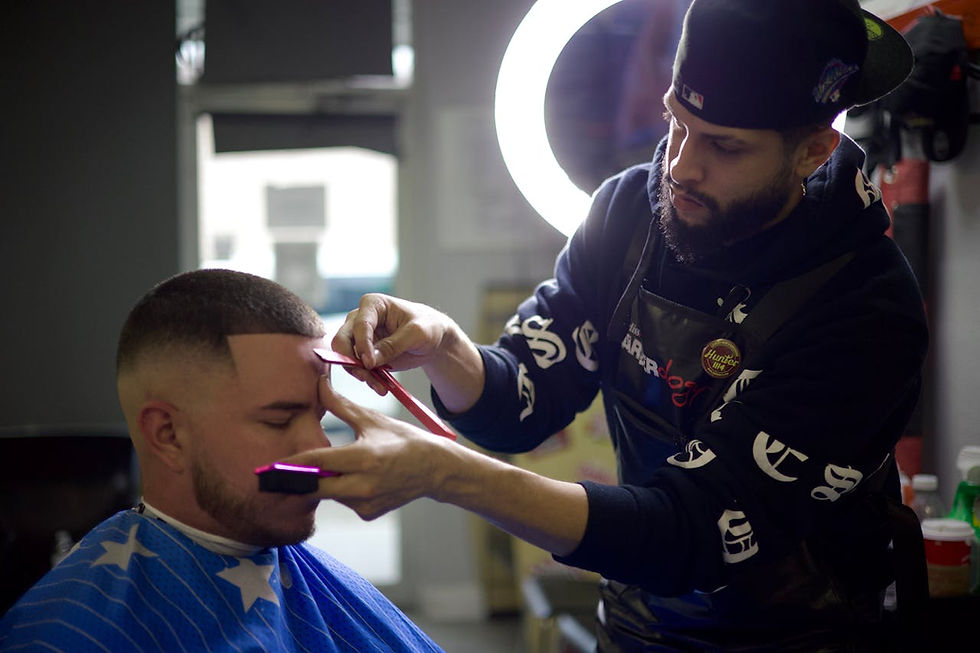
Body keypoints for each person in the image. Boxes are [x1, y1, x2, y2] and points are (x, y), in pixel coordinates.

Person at [281, 0, 932, 650]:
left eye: (724, 146)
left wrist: (448, 473)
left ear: (813, 152)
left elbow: (692, 529)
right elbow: (522, 400)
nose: (680, 165)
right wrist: (443, 344)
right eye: (677, 123)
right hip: (636, 624)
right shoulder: (631, 212)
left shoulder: (865, 307)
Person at [0, 269, 442, 652]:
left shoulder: (323, 584)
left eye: (320, 415)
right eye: (278, 421)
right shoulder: (62, 634)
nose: (322, 448)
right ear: (168, 435)